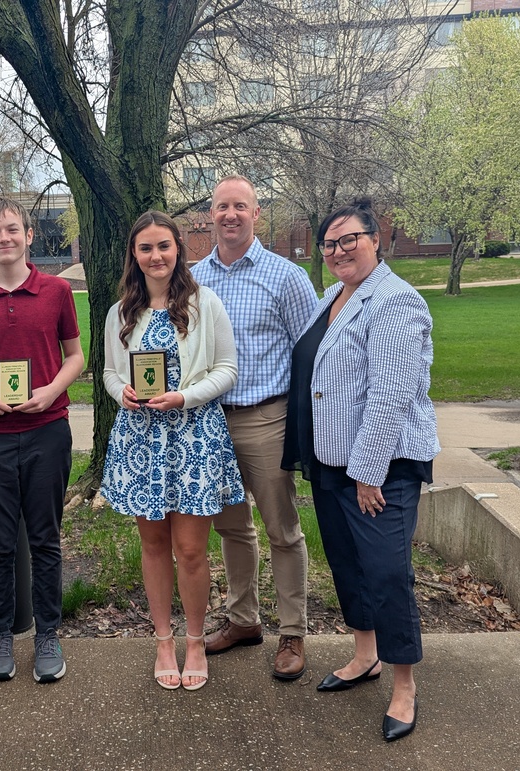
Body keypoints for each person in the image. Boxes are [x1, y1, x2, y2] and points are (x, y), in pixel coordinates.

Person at [281, 198, 440, 742]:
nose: (340, 250)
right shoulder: (334, 296)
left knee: (388, 573)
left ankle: (403, 684)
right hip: (333, 460)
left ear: (377, 238)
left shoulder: (395, 301)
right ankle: (365, 655)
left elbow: (392, 396)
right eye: (330, 243)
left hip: (382, 467)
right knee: (349, 565)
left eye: (351, 239)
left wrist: (368, 471)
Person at [100, 211, 243, 691]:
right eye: (145, 248)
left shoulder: (206, 304)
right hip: (142, 440)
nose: (155, 256)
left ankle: (196, 639)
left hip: (194, 438)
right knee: (154, 544)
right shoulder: (121, 311)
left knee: (191, 549)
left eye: (163, 246)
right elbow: (109, 373)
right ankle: (163, 639)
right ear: (134, 256)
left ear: (178, 249)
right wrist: (122, 391)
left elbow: (226, 369)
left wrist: (185, 396)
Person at [190, 175, 318, 680]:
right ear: (211, 214)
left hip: (267, 418)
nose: (230, 215)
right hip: (211, 422)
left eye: (240, 206)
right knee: (231, 527)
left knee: (282, 529)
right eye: (222, 207)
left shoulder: (285, 277)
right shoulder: (195, 279)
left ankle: (293, 632)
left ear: (256, 214)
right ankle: (243, 619)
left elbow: (310, 352)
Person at [0, 197, 85, 683]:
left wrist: (52, 390)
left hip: (46, 430)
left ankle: (48, 633)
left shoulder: (55, 291)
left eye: (12, 229)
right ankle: (1, 633)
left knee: (45, 538)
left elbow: (74, 355)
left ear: (30, 236)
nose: (3, 238)